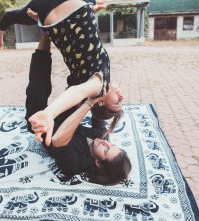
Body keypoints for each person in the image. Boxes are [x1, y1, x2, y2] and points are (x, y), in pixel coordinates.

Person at [0, 0, 124, 147]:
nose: (122, 96)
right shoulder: (85, 80)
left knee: (19, 15)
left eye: (117, 101)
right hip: (50, 8)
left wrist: (49, 113)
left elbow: (77, 93)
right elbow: (83, 43)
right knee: (22, 16)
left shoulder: (98, 86)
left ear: (100, 101)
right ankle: (0, 29)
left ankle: (0, 28)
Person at [17, 30, 132, 186]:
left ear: (98, 163)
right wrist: (106, 99)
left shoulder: (76, 164)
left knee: (38, 88)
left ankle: (45, 34)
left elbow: (58, 139)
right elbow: (99, 110)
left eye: (106, 150)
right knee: (81, 84)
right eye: (111, 145)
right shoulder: (102, 138)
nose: (106, 143)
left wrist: (89, 103)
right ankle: (64, 30)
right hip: (65, 116)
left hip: (42, 127)